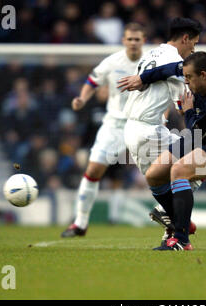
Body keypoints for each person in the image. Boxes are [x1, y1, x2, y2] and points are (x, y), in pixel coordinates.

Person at [119, 52, 206, 250]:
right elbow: (167, 70)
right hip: (204, 135)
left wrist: (187, 111)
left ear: (203, 74)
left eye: (188, 78)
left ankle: (181, 239)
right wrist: (142, 78)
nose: (185, 82)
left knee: (179, 171)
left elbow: (193, 132)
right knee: (154, 175)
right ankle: (180, 220)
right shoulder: (204, 73)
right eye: (184, 76)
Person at [119, 17, 203, 246]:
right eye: (194, 43)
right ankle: (170, 217)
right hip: (147, 132)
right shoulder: (176, 62)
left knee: (166, 179)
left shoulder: (152, 54)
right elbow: (182, 101)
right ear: (185, 38)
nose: (193, 49)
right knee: (203, 159)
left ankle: (172, 229)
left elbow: (156, 91)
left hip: (139, 128)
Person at [61, 23, 147, 237]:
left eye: (137, 39)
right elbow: (92, 81)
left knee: (163, 172)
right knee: (93, 171)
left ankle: (177, 224)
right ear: (123, 41)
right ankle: (80, 223)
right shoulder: (112, 62)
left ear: (143, 40)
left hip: (144, 124)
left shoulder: (153, 62)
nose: (133, 43)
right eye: (130, 39)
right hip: (115, 125)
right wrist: (82, 98)